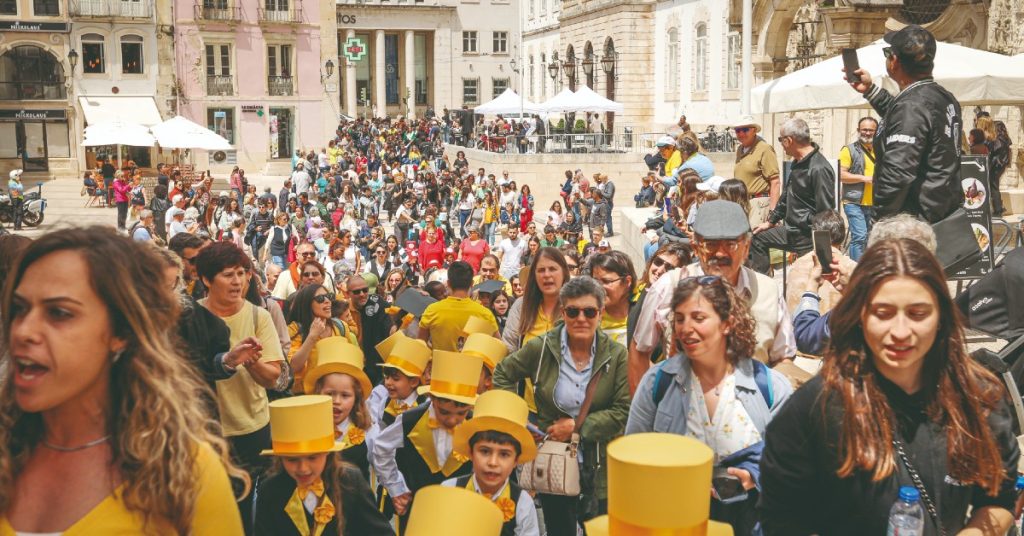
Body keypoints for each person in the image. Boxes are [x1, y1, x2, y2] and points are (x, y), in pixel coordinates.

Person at [760, 238, 1020, 535]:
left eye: (918, 313)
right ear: (859, 316)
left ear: (941, 317)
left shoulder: (976, 397)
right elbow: (781, 518)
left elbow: (999, 501)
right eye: (883, 313)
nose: (900, 332)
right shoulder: (814, 409)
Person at [1, 227, 244, 533]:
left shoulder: (186, 474)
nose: (23, 330)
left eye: (59, 313)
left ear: (120, 333)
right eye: (19, 308)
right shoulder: (8, 454)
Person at [625, 276, 792, 534]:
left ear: (727, 323)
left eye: (698, 318)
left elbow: (791, 464)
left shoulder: (770, 387)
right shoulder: (657, 383)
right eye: (680, 319)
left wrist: (754, 476)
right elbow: (632, 461)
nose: (686, 328)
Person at [494, 276, 631, 533]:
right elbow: (502, 372)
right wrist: (519, 422)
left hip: (599, 464)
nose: (581, 318)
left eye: (589, 312)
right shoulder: (542, 348)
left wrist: (577, 427)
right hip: (552, 462)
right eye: (573, 311)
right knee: (559, 530)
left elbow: (622, 410)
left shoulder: (617, 355)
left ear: (601, 313)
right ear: (563, 312)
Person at [630, 200, 795, 393]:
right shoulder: (668, 286)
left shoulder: (768, 291)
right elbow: (639, 352)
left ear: (746, 247)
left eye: (731, 244)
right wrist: (646, 408)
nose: (720, 253)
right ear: (696, 247)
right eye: (711, 245)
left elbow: (783, 359)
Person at [196, 241, 286, 533]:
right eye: (227, 275)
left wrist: (250, 362)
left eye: (241, 273)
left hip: (251, 428)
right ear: (206, 279)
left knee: (245, 509)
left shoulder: (259, 316)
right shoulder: (191, 317)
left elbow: (272, 377)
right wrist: (228, 360)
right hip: (204, 431)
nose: (237, 281)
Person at [847, 24, 962, 224]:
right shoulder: (942, 97)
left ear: (894, 61)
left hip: (913, 224)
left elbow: (897, 173)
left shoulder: (911, 106)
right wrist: (870, 90)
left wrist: (879, 221)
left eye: (887, 53)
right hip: (941, 213)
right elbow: (906, 121)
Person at [372, 351, 484, 532]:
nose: (452, 420)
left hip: (459, 509)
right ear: (432, 398)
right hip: (417, 508)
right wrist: (396, 487)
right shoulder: (410, 420)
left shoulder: (476, 425)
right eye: (444, 412)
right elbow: (380, 447)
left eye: (461, 413)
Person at [253, 395, 393, 536]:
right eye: (292, 460)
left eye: (312, 458)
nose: (303, 468)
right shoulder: (270, 491)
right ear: (280, 458)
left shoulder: (350, 482)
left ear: (327, 452)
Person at [444, 390, 540, 536]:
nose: (493, 462)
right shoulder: (449, 490)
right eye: (485, 451)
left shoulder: (522, 503)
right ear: (471, 453)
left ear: (516, 460)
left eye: (504, 454)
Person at [750, 118, 837, 274]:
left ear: (788, 140)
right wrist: (770, 222)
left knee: (806, 279)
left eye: (780, 140)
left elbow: (825, 212)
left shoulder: (819, 168)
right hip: (791, 231)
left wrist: (823, 248)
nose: (781, 145)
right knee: (758, 237)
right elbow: (786, 195)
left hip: (807, 236)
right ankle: (764, 285)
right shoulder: (798, 162)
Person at [303, 337, 376, 481]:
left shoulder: (368, 433)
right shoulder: (306, 429)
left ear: (356, 398)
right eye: (330, 394)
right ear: (318, 393)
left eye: (345, 395)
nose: (337, 401)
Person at [626, 243, 689, 366]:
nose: (659, 270)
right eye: (658, 262)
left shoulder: (676, 311)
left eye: (669, 269)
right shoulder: (635, 290)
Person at [418, 261, 499, 351]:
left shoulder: (432, 310)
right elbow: (498, 347)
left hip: (439, 360)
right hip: (472, 360)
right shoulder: (485, 314)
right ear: (472, 283)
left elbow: (420, 345)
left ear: (448, 283)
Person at [286, 284, 351, 394]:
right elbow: (293, 367)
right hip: (305, 397)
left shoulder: (340, 326)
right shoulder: (294, 329)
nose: (327, 301)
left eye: (329, 296)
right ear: (307, 304)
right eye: (320, 298)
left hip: (335, 393)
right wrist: (312, 336)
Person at [838, 116, 879, 261]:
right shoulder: (848, 150)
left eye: (871, 130)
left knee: (871, 238)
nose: (867, 133)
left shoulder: (880, 150)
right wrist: (864, 178)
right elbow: (841, 175)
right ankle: (855, 269)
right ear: (858, 130)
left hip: (874, 202)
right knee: (860, 236)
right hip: (854, 202)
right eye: (864, 130)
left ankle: (866, 267)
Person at [732, 115, 781, 228]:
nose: (741, 133)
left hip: (759, 203)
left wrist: (772, 212)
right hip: (743, 202)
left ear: (754, 130)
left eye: (745, 129)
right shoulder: (740, 149)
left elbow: (775, 182)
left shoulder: (765, 149)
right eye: (738, 130)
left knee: (754, 236)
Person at [346, 274, 394, 386]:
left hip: (375, 366)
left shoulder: (377, 304)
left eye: (365, 290)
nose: (362, 294)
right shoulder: (342, 310)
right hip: (353, 365)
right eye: (357, 292)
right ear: (348, 294)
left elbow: (391, 321)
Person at [585, 251, 636, 348]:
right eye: (595, 281)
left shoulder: (642, 313)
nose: (599, 287)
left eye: (606, 281)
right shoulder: (586, 317)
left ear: (627, 282)